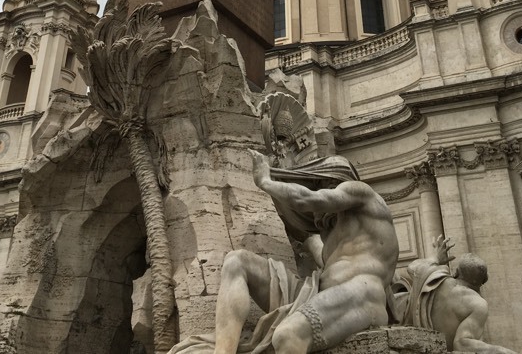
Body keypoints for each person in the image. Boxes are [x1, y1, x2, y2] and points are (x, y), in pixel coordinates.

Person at [169, 151, 399, 353]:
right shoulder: (332, 233)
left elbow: (308, 199)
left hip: (362, 295)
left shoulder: (361, 193)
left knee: (287, 335)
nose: (315, 219)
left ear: (329, 183)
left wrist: (266, 182)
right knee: (236, 260)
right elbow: (322, 257)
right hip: (316, 292)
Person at [396, 235, 519, 354]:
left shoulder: (436, 276)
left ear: (457, 272)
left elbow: (413, 267)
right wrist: (503, 351)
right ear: (484, 281)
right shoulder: (477, 304)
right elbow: (461, 344)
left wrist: (436, 258)